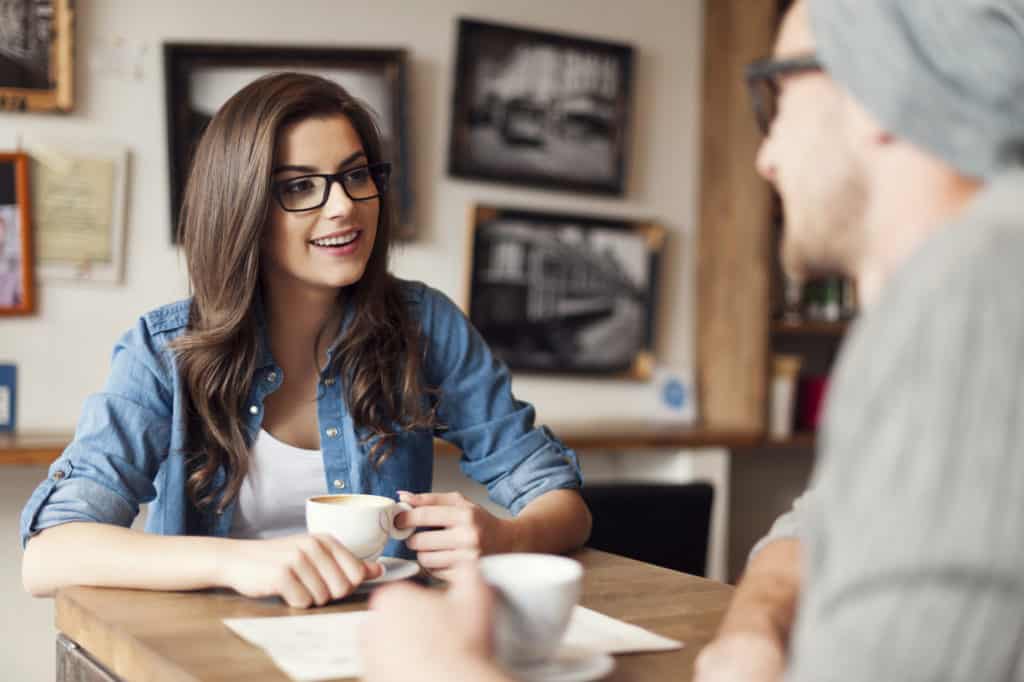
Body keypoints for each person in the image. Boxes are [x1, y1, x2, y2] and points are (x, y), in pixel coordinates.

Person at [364, 0, 1024, 679]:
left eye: (779, 96)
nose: (766, 157)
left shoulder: (976, 296)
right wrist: (753, 631)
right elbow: (818, 524)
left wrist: (441, 670)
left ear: (884, 87)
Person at [19, 72, 592, 608]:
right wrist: (241, 563)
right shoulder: (166, 349)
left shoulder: (425, 324)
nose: (344, 206)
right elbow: (48, 553)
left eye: (356, 174)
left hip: (379, 644)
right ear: (242, 209)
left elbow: (562, 502)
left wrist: (507, 537)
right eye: (299, 187)